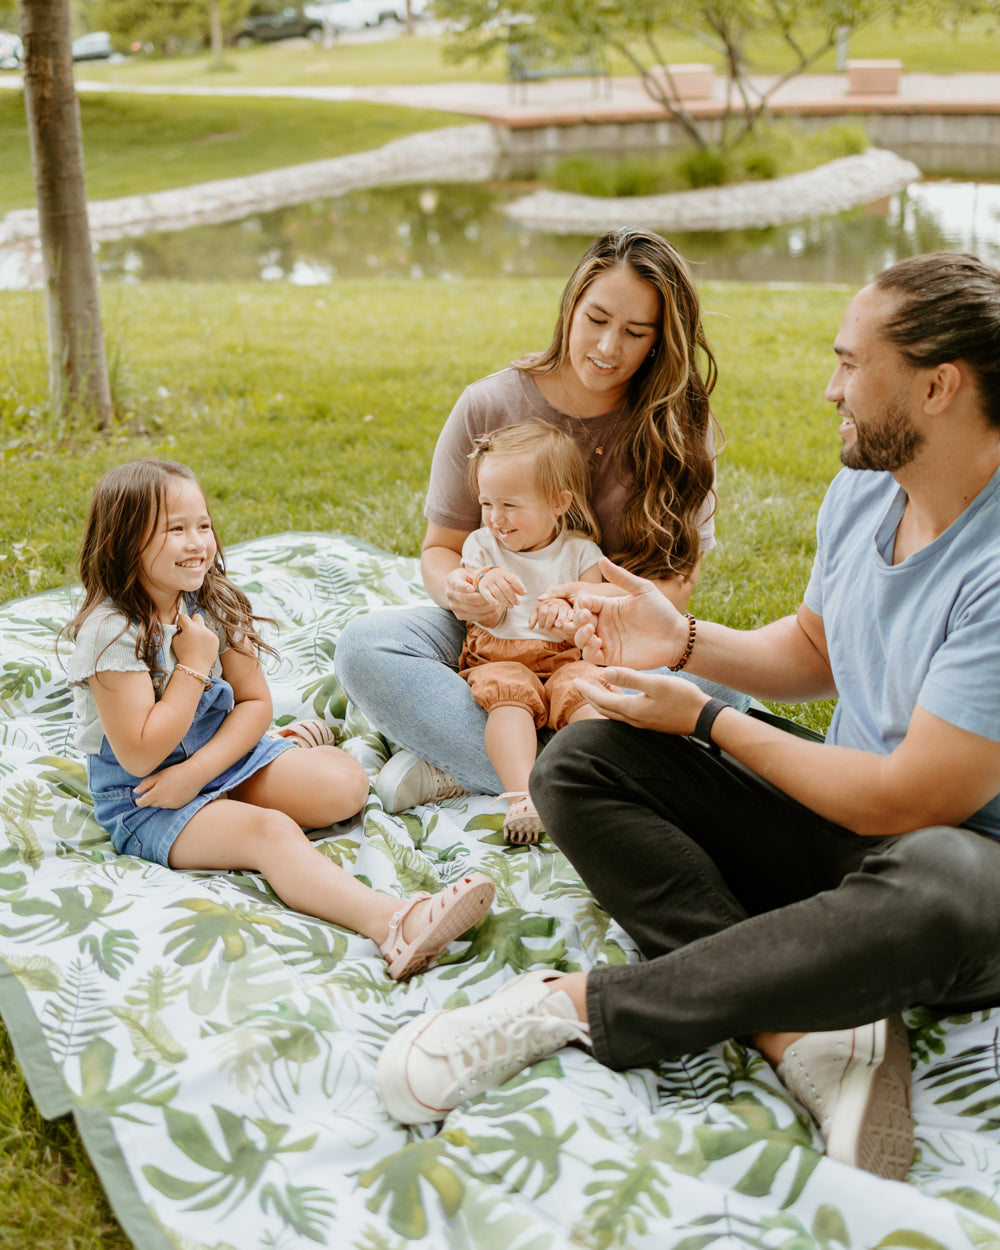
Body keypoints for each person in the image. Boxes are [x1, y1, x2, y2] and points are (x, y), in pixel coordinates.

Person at [374, 252, 1000, 1181]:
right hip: (841, 831)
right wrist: (682, 642)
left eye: (850, 364)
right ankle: (799, 1030)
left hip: (955, 873)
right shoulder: (869, 487)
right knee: (583, 758)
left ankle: (576, 1006)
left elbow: (912, 802)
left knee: (941, 876)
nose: (830, 389)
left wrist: (706, 719)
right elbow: (816, 652)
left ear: (938, 386)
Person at [335, 227, 745, 814]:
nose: (608, 347)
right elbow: (441, 548)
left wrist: (608, 631)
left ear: (661, 341)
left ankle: (481, 768)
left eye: (635, 332)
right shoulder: (488, 405)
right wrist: (462, 591)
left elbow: (679, 577)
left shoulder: (678, 425)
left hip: (618, 643)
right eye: (596, 319)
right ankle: (587, 778)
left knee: (729, 687)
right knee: (365, 646)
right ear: (570, 307)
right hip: (497, 634)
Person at [64, 458, 494, 982]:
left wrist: (202, 773)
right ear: (119, 544)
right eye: (175, 529)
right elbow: (139, 752)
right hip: (148, 799)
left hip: (217, 763)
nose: (198, 541)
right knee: (271, 832)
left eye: (202, 524)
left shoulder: (212, 603)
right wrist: (195, 665)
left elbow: (253, 703)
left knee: (346, 784)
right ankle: (395, 925)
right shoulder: (111, 633)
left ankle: (282, 751)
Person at [458, 423, 609, 843]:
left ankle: (597, 789)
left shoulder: (581, 552)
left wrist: (571, 617)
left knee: (587, 693)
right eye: (487, 502)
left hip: (565, 658)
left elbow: (592, 613)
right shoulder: (483, 545)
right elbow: (468, 581)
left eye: (509, 504)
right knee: (508, 695)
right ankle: (522, 796)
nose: (495, 517)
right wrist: (483, 582)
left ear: (559, 502)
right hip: (499, 656)